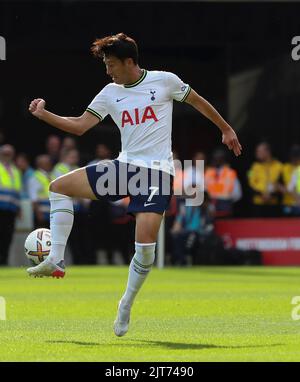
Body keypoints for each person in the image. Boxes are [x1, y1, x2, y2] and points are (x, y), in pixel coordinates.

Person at [27, 33, 242, 337]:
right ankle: (56, 259)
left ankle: (126, 302)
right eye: (106, 64)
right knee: (58, 187)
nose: (108, 70)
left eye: (111, 64)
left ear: (129, 61)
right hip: (124, 166)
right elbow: (78, 126)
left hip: (156, 173)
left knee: (144, 249)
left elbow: (197, 101)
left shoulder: (164, 81)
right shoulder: (110, 92)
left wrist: (226, 128)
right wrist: (43, 114)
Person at [0, 144, 22, 265]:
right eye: (5, 154)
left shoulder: (15, 171)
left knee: (7, 237)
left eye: (10, 154)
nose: (7, 156)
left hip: (11, 210)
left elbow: (17, 191)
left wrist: (19, 208)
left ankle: (4, 262)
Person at [248, 142, 282, 217]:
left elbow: (282, 184)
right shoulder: (254, 167)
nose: (257, 153)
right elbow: (250, 184)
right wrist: (261, 195)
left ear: (267, 152)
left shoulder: (279, 166)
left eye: (259, 151)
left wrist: (272, 195)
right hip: (258, 204)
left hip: (274, 204)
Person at [205, 148, 242, 218]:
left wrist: (226, 200)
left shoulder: (230, 173)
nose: (217, 160)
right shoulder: (208, 172)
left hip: (225, 206)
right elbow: (203, 189)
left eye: (220, 158)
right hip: (209, 207)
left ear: (224, 159)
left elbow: (237, 194)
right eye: (215, 157)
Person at [27, 155, 53, 229]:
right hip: (41, 214)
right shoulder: (35, 177)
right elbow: (33, 198)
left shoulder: (51, 175)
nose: (50, 164)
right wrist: (38, 213)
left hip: (51, 215)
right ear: (40, 164)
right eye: (47, 162)